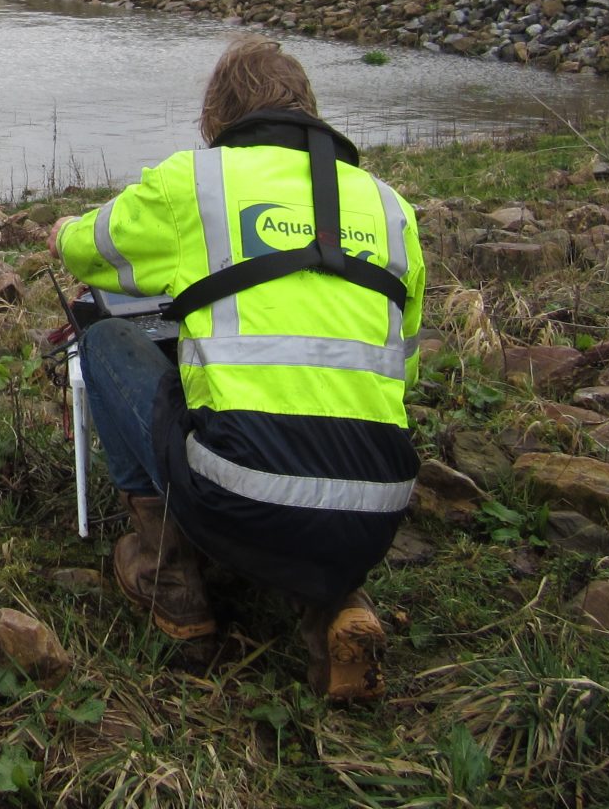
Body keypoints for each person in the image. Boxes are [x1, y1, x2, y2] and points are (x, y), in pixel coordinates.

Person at [50, 36, 425, 703]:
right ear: (309, 110)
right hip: (377, 506)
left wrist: (61, 230)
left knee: (106, 343)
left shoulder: (193, 182)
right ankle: (335, 604)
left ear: (217, 119)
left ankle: (173, 578)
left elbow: (89, 251)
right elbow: (403, 372)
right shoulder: (393, 211)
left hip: (237, 494)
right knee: (317, 472)